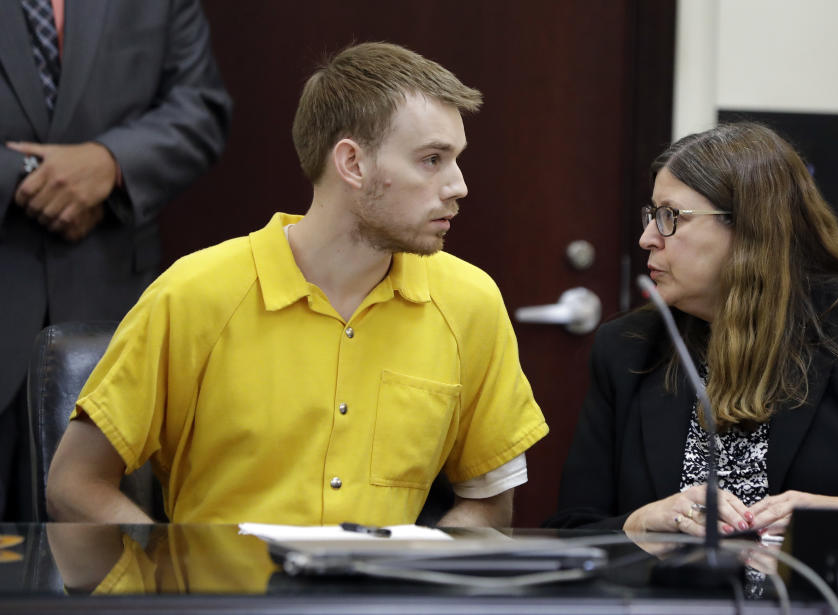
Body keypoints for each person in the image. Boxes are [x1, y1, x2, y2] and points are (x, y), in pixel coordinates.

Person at [45, 42, 548, 527]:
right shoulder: (194, 293)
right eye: (432, 160)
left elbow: (488, 507)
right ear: (353, 163)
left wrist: (412, 585)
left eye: (456, 159)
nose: (458, 186)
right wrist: (168, 587)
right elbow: (74, 486)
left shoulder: (471, 302)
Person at [547, 122, 838, 536]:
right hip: (669, 599)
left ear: (749, 227)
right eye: (651, 215)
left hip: (833, 599)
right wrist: (641, 523)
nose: (647, 238)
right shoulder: (627, 347)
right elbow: (572, 529)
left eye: (670, 217)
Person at [0, 0, 232, 519]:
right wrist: (27, 175)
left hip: (107, 300)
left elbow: (199, 106)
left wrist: (111, 164)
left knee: (97, 568)